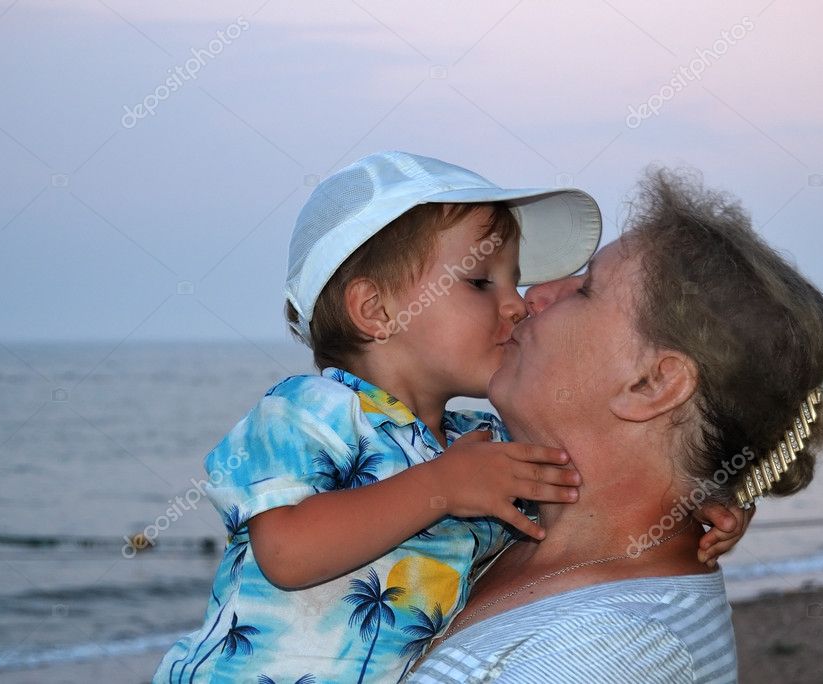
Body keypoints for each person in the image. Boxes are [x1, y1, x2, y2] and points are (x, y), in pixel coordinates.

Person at [153, 153, 743, 683]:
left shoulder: (474, 445)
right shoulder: (309, 409)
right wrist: (439, 488)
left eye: (514, 280)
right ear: (376, 310)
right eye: (482, 282)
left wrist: (694, 498)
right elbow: (285, 552)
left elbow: (595, 481)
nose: (516, 303)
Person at [408, 169, 823, 683]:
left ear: (652, 385)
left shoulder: (608, 653)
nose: (534, 295)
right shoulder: (499, 515)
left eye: (586, 289)